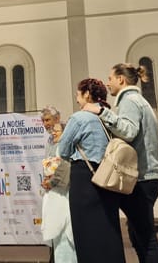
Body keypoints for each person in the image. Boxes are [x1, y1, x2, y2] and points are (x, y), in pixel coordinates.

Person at [83, 63, 158, 263]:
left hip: (140, 179)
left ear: (121, 79)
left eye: (110, 78)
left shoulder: (130, 101)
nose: (108, 82)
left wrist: (101, 112)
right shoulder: (139, 101)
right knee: (139, 237)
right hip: (147, 177)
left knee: (146, 240)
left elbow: (128, 131)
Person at [57, 78, 121, 263]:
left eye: (78, 94)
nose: (77, 99)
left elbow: (63, 149)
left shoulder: (79, 118)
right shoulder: (106, 115)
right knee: (108, 228)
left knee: (85, 230)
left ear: (86, 94)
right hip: (108, 175)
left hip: (84, 176)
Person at [38, 106, 74, 263]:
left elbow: (65, 165)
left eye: (48, 120)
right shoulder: (49, 140)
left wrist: (52, 181)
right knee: (53, 231)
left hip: (64, 192)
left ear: (57, 119)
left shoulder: (66, 138)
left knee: (64, 231)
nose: (46, 124)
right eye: (43, 121)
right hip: (52, 192)